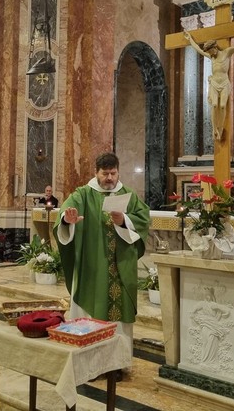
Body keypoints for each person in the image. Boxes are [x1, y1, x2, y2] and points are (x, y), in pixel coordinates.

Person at [53, 152, 150, 373]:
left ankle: (117, 365)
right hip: (92, 269)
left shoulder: (128, 195)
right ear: (96, 173)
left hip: (120, 269)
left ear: (118, 172)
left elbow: (143, 219)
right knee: (90, 317)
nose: (109, 178)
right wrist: (68, 220)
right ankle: (89, 366)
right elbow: (64, 213)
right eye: (105, 173)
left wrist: (124, 220)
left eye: (113, 173)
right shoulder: (83, 194)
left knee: (119, 319)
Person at [185, 15, 234, 140]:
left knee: (222, 105)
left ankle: (220, 127)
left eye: (211, 51)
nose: (210, 54)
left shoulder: (227, 52)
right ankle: (214, 129)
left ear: (215, 47)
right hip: (214, 83)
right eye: (209, 52)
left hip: (224, 82)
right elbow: (198, 49)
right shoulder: (211, 56)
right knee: (214, 105)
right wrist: (190, 39)